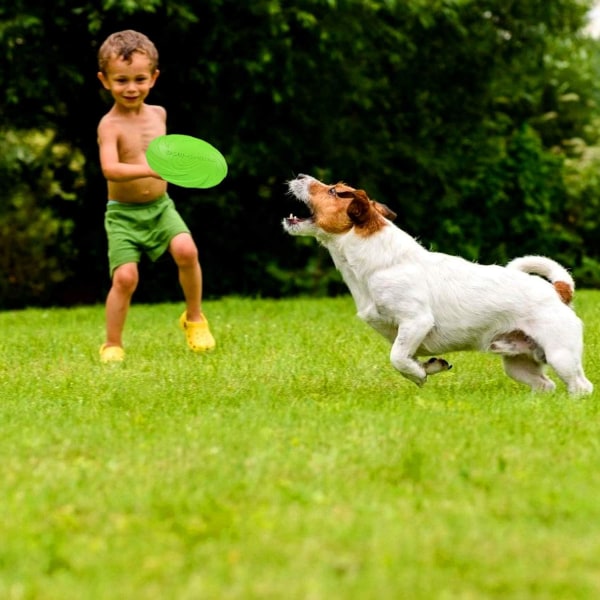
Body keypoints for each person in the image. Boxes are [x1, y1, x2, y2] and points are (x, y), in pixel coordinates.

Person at [96, 29, 215, 362]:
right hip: (123, 214)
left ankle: (194, 318)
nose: (131, 88)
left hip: (161, 207)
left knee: (186, 250)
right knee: (125, 277)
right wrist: (150, 170)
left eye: (139, 79)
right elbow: (110, 169)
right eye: (121, 80)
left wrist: (186, 166)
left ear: (154, 77)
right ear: (105, 80)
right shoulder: (109, 125)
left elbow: (166, 155)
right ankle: (112, 344)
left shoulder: (159, 115)